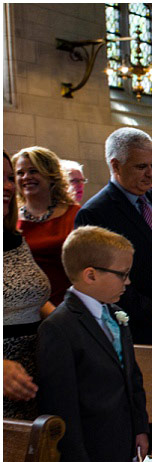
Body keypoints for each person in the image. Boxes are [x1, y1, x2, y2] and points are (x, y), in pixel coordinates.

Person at [37, 225, 150, 462]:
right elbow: (60, 402)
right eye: (122, 275)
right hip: (88, 459)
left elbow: (132, 377)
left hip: (120, 447)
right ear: (90, 275)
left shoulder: (114, 313)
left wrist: (140, 427)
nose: (127, 283)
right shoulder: (59, 327)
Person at [75, 127, 152, 346]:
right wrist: (151, 312)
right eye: (141, 166)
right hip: (127, 328)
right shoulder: (95, 213)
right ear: (116, 165)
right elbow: (101, 279)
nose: (150, 173)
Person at [4, 151, 53, 419]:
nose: (9, 186)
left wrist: (70, 325)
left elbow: (29, 296)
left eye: (9, 177)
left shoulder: (15, 239)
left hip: (33, 382)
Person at [13, 147, 80, 306]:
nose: (26, 177)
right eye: (20, 173)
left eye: (33, 171)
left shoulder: (74, 214)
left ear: (51, 175)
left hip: (68, 308)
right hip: (24, 309)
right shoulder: (9, 221)